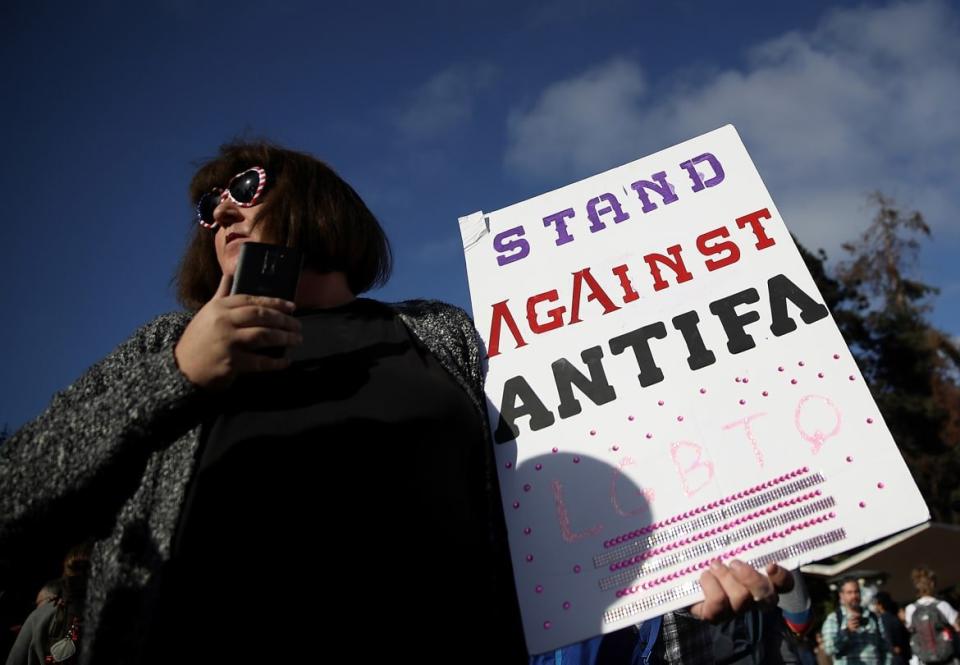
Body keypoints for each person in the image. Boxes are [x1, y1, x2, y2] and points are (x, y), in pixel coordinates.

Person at [2, 141, 808, 664]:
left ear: (321, 202)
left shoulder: (439, 334)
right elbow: (18, 490)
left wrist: (686, 585)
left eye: (243, 186)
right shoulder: (162, 348)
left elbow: (553, 513)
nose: (221, 209)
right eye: (207, 207)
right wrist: (177, 374)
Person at [820, 577, 888, 664]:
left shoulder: (873, 617)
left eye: (856, 592)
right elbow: (829, 650)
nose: (854, 596)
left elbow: (885, 648)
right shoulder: (834, 619)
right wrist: (846, 632)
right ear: (841, 595)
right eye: (849, 592)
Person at [904, 567, 959, 665]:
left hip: (923, 660)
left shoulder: (910, 609)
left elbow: (910, 630)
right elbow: (957, 627)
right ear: (933, 584)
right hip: (946, 659)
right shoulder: (942, 605)